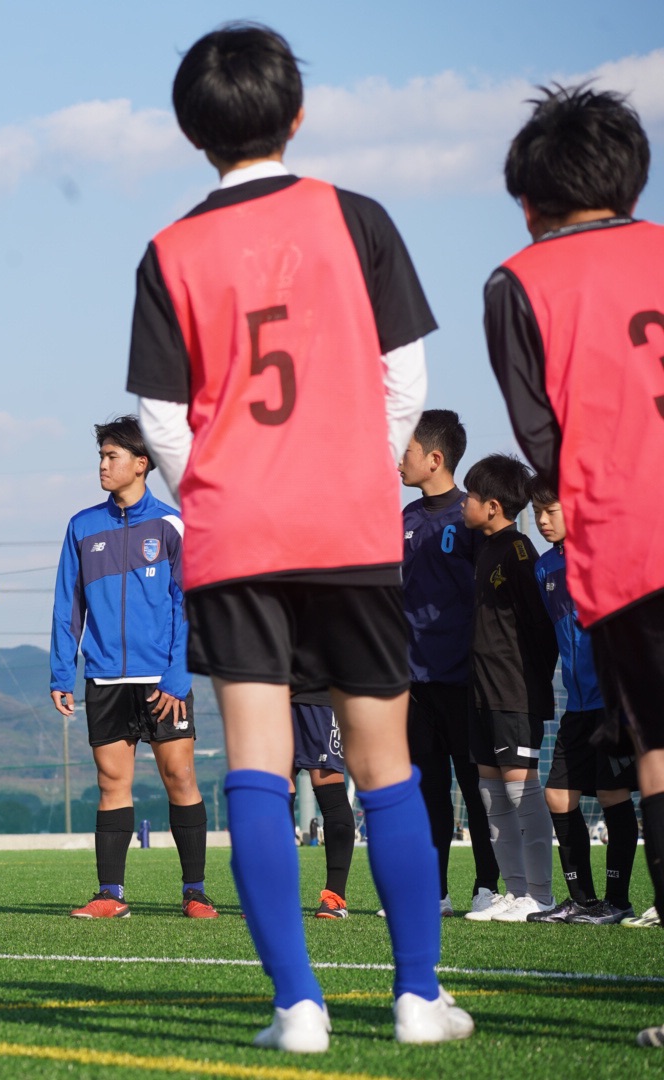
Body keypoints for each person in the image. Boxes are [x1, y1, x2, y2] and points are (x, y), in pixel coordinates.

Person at [125, 23, 471, 1050]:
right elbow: (402, 374)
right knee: (383, 762)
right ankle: (415, 997)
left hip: (238, 534)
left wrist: (225, 488)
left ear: (191, 133)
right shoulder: (353, 217)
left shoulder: (169, 248)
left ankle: (298, 1007)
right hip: (348, 522)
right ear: (298, 113)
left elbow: (157, 418)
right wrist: (354, 474)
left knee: (257, 766)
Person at [480, 88, 664, 1047]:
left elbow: (540, 438)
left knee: (659, 748)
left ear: (529, 198)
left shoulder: (520, 281)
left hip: (637, 537)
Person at [49, 416, 213, 920]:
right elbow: (67, 605)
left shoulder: (171, 524)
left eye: (112, 456)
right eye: (100, 456)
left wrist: (178, 674)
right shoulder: (82, 526)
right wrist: (62, 672)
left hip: (163, 677)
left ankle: (195, 893)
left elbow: (191, 603)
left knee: (180, 775)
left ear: (141, 464)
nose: (102, 465)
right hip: (104, 677)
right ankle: (110, 894)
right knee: (110, 783)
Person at [398, 409, 499, 915]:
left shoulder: (472, 519)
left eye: (407, 451)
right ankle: (433, 891)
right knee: (428, 791)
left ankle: (488, 886)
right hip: (414, 683)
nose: (399, 460)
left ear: (435, 459)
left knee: (476, 788)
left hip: (464, 681)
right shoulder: (405, 520)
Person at [525, 477, 639, 925]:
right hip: (577, 704)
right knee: (557, 794)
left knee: (612, 794)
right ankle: (582, 900)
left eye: (551, 511)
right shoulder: (544, 568)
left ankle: (618, 902)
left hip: (612, 702)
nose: (543, 521)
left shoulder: (604, 557)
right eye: (537, 513)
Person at [456, 454, 558, 923]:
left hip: (513, 695)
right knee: (491, 797)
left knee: (522, 795)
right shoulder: (485, 549)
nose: (464, 504)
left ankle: (540, 894)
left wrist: (529, 687)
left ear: (493, 506)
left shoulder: (520, 553)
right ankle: (513, 892)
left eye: (471, 497)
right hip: (480, 693)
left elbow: (542, 632)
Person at [289, 688, 355, 918]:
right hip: (272, 699)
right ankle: (276, 895)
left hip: (316, 694)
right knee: (276, 794)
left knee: (329, 791)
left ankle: (335, 897)